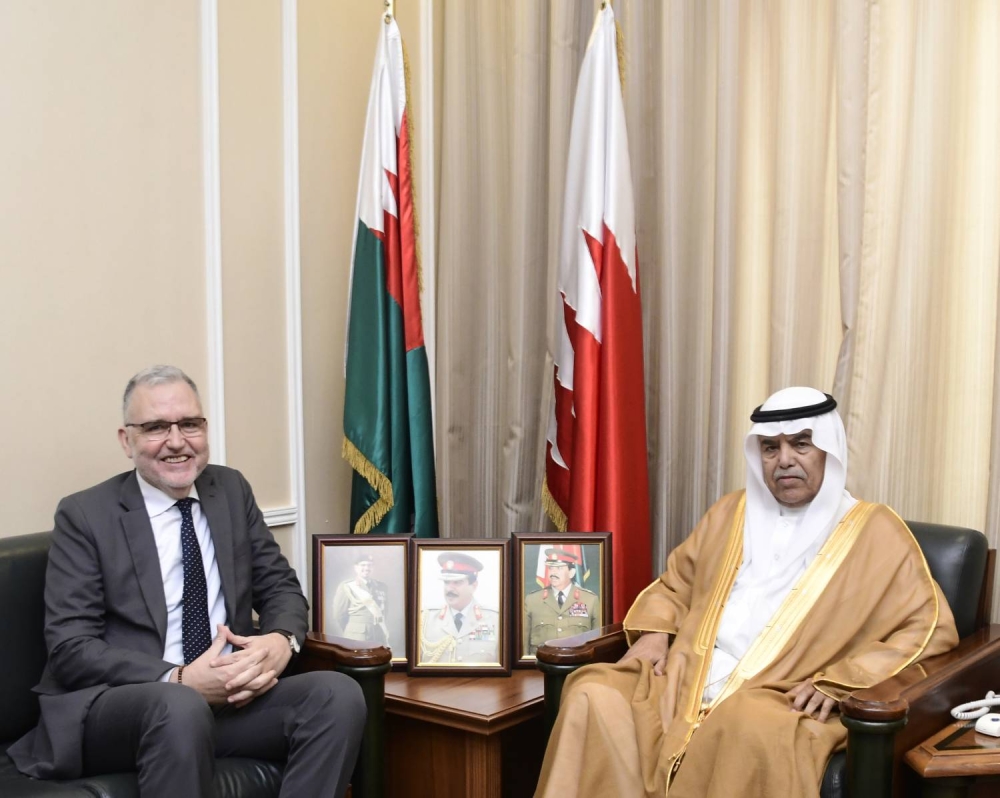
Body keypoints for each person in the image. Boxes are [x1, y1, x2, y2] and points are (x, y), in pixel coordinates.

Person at [535, 386, 959, 798]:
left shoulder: (876, 532)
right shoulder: (729, 513)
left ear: (829, 450)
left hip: (782, 691)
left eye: (801, 444)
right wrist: (655, 632)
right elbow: (677, 584)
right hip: (688, 675)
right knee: (593, 692)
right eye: (771, 448)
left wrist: (842, 681)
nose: (784, 460)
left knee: (745, 723)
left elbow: (927, 630)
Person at [7, 365, 366, 798]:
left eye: (190, 424)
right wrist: (179, 679)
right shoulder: (85, 515)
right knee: (178, 705)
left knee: (336, 694)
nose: (177, 441)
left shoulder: (230, 490)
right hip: (124, 705)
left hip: (228, 699)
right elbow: (71, 648)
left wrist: (280, 641)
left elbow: (280, 587)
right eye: (156, 427)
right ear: (126, 440)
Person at [419, 552, 500, 664]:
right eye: (446, 582)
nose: (449, 589)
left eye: (457, 582)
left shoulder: (495, 620)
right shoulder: (425, 620)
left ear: (474, 586)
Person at [523, 547, 599, 655]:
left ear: (571, 573)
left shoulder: (590, 600)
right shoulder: (532, 600)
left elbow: (596, 643)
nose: (553, 573)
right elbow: (524, 645)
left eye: (559, 568)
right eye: (551, 568)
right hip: (541, 663)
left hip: (577, 663)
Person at [331, 553, 390, 645]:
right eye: (363, 565)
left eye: (369, 565)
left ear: (373, 568)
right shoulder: (347, 586)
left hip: (378, 636)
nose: (366, 568)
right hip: (356, 636)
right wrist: (353, 628)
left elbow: (384, 612)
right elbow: (339, 615)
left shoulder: (382, 587)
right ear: (356, 567)